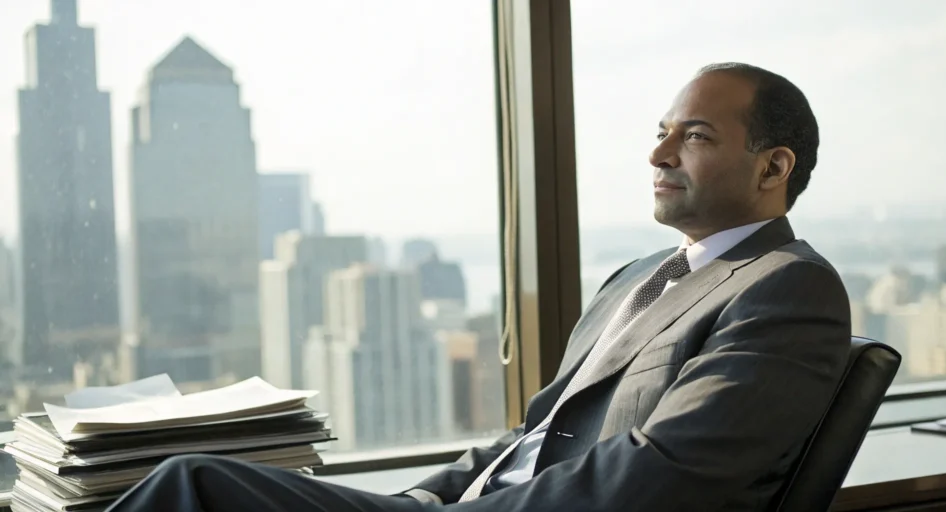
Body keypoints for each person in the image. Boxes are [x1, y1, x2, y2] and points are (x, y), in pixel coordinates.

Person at [107, 62, 851, 512]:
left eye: (693, 136)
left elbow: (664, 477)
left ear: (772, 167)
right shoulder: (635, 279)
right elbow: (534, 438)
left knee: (193, 487)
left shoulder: (788, 289)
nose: (657, 153)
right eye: (662, 130)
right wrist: (426, 494)